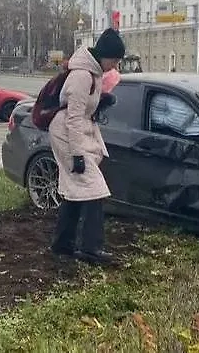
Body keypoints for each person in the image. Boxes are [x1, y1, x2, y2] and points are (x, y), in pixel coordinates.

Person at [49, 28, 125, 266]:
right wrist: (77, 155)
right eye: (114, 60)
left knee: (77, 189)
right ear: (104, 55)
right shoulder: (83, 75)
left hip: (74, 131)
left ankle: (63, 243)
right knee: (95, 189)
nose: (114, 66)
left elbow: (83, 110)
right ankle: (91, 248)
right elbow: (72, 117)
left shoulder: (94, 72)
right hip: (66, 133)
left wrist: (101, 102)